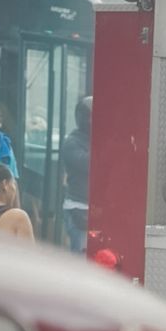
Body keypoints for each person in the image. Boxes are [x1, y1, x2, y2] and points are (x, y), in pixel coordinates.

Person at [60, 95, 93, 253]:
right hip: (79, 209)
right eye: (92, 116)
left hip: (97, 208)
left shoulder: (95, 139)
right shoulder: (72, 142)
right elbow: (90, 165)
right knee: (81, 259)